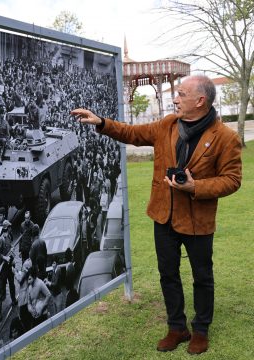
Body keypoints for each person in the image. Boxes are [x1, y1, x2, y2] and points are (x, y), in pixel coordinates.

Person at [71, 75, 242, 355]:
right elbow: (132, 134)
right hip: (163, 216)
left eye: (182, 94)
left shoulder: (225, 137)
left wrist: (195, 186)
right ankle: (177, 327)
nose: (175, 98)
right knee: (168, 274)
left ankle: (200, 330)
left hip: (198, 221)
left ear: (200, 101)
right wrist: (101, 122)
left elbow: (232, 180)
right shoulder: (167, 125)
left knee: (202, 276)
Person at [0, 219, 16, 322]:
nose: (11, 229)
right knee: (0, 289)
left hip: (9, 266)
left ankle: (14, 300)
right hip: (2, 269)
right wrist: (5, 258)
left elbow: (9, 246)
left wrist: (12, 248)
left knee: (12, 284)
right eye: (10, 227)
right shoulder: (1, 239)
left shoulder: (9, 237)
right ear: (7, 228)